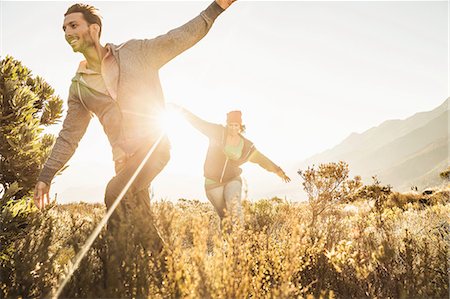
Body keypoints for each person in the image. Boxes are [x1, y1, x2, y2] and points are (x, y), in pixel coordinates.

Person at [33, 0, 235, 292]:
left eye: (73, 25)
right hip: (125, 163)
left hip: (155, 147)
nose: (67, 32)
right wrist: (46, 174)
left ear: (94, 29)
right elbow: (69, 135)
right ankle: (179, 283)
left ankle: (113, 279)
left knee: (114, 192)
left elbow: (178, 38)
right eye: (64, 28)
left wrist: (216, 8)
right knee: (144, 226)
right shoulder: (79, 86)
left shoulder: (135, 53)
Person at [174, 105, 291, 229]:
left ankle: (238, 241)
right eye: (231, 125)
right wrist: (181, 111)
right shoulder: (217, 132)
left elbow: (261, 159)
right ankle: (228, 244)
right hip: (212, 182)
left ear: (240, 126)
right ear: (227, 125)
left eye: (236, 125)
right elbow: (199, 123)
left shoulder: (246, 145)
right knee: (225, 217)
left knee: (235, 209)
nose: (233, 128)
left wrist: (277, 170)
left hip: (233, 179)